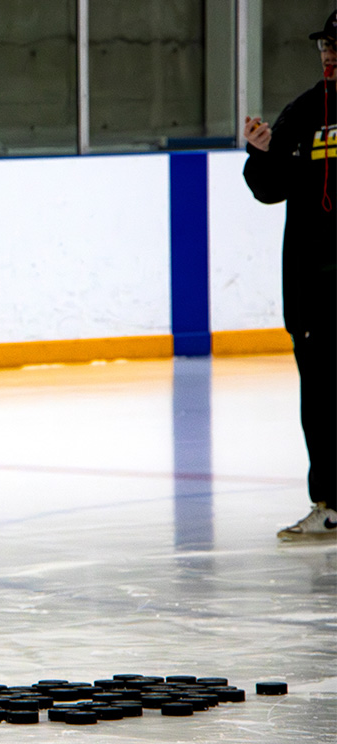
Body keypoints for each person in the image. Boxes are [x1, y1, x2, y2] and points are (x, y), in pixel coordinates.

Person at [243, 11, 336, 541]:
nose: (329, 53)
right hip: (312, 290)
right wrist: (261, 153)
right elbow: (269, 187)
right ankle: (330, 502)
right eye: (325, 44)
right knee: (322, 401)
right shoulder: (303, 111)